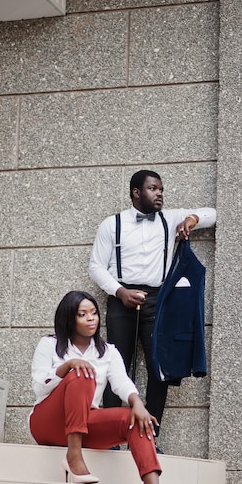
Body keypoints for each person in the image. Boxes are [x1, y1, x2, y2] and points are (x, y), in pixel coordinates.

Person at [89, 169, 216, 450]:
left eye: (161, 189)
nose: (159, 193)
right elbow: (96, 266)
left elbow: (212, 213)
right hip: (121, 299)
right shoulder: (112, 225)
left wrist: (192, 220)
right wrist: (120, 292)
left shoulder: (169, 218)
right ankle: (111, 436)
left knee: (160, 367)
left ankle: (147, 437)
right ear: (136, 192)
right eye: (153, 189)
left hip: (159, 301)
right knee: (116, 365)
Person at [29, 290, 176, 484]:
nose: (91, 319)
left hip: (84, 423)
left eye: (94, 313)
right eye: (83, 314)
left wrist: (138, 404)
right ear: (69, 318)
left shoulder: (108, 352)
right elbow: (39, 386)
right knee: (81, 372)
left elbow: (121, 382)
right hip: (47, 423)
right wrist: (67, 366)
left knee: (136, 418)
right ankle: (73, 457)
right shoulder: (49, 344)